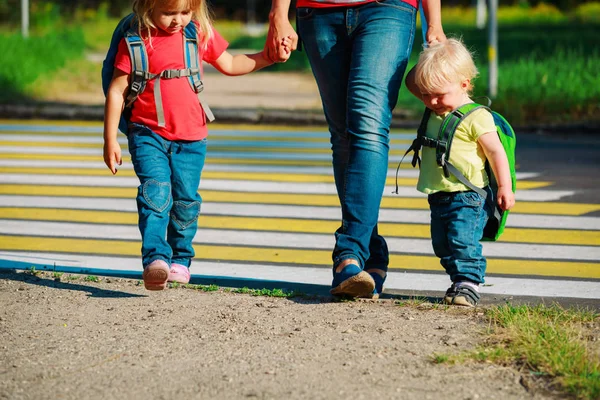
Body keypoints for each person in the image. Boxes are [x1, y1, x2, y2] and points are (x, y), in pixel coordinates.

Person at [103, 0, 291, 291]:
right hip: (147, 133)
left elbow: (229, 63)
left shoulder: (197, 34)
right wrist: (110, 138)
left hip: (191, 138)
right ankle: (155, 259)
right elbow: (117, 90)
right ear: (147, 7)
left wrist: (268, 58)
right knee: (155, 192)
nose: (178, 20)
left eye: (185, 12)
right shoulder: (136, 40)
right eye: (169, 13)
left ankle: (180, 259)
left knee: (186, 202)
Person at [266, 0, 445, 298]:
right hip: (318, 11)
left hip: (388, 9)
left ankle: (348, 253)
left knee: (368, 124)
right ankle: (371, 252)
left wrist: (434, 22)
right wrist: (278, 13)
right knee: (343, 136)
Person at [410, 38, 515, 306]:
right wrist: (430, 47)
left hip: (467, 195)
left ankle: (468, 283)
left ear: (464, 84)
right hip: (439, 194)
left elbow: (495, 152)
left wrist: (505, 187)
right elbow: (412, 81)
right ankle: (459, 280)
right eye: (425, 93)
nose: (431, 100)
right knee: (442, 245)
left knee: (462, 241)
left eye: (438, 94)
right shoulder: (435, 106)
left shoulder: (477, 116)